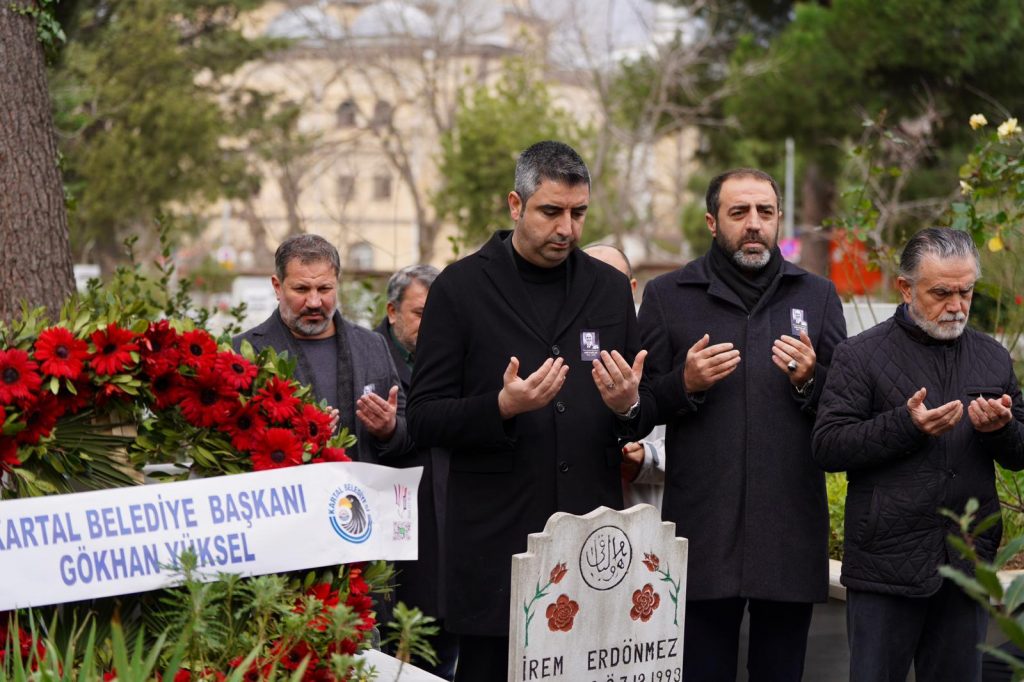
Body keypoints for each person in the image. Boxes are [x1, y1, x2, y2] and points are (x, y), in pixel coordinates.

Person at [408, 140, 646, 681]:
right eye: (551, 211)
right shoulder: (461, 288)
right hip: (498, 546)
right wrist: (499, 407)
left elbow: (641, 403)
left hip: (589, 542)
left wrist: (629, 403)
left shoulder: (608, 289)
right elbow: (423, 416)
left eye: (578, 213)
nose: (567, 228)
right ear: (515, 206)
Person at [636, 168, 847, 681]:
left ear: (778, 221)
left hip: (789, 534)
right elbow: (633, 408)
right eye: (739, 213)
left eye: (765, 213)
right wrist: (683, 384)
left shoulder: (817, 296)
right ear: (712, 221)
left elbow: (845, 409)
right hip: (703, 536)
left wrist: (807, 380)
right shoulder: (669, 296)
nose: (754, 225)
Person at [811, 227, 1024, 682]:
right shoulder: (860, 355)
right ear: (906, 288)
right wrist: (906, 426)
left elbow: (1020, 451)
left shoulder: (992, 358)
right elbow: (828, 445)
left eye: (966, 291)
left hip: (967, 566)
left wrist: (1001, 430)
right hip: (885, 568)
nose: (957, 305)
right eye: (942, 292)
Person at [233, 234, 411, 464]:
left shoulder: (372, 345)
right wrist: (296, 438)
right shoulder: (244, 352)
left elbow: (409, 435)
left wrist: (390, 429)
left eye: (324, 288)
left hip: (361, 497)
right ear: (277, 287)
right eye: (301, 289)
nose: (314, 302)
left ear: (337, 283)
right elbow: (232, 443)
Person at [373, 264, 459, 680]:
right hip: (393, 537)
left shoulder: (457, 356)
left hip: (450, 540)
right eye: (421, 313)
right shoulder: (367, 356)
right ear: (392, 311)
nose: (432, 323)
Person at [584, 243, 666, 510]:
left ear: (631, 288)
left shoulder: (658, 342)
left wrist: (648, 458)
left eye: (610, 282)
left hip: (646, 520)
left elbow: (698, 448)